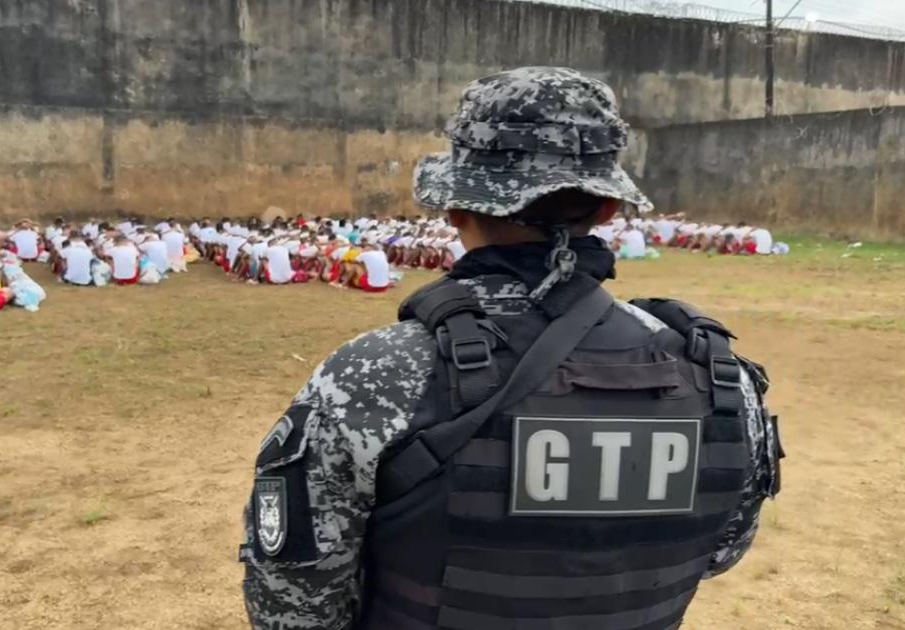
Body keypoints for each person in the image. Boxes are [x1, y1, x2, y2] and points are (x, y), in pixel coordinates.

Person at [241, 67, 783, 630]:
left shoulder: (373, 376)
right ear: (607, 209)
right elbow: (720, 550)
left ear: (455, 207)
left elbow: (291, 603)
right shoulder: (720, 379)